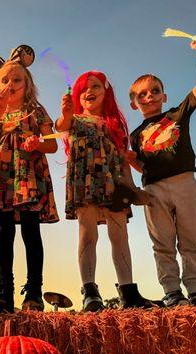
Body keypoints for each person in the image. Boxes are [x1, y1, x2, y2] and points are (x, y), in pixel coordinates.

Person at [55, 70, 153, 311]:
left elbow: (121, 158)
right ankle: (90, 291)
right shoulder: (74, 120)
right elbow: (61, 125)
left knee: (120, 235)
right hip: (84, 181)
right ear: (77, 95)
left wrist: (133, 189)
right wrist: (66, 113)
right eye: (84, 89)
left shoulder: (115, 124)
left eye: (96, 86)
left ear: (106, 91)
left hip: (114, 184)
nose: (90, 91)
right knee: (87, 233)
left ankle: (128, 291)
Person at [128, 34, 196, 307]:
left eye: (154, 91)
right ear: (134, 104)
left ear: (164, 95)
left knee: (190, 238)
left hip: (184, 182)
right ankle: (172, 292)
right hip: (153, 189)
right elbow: (141, 164)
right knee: (162, 242)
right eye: (142, 94)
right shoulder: (135, 135)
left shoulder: (177, 114)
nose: (149, 96)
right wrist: (128, 158)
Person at [0, 45, 59, 317]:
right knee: (4, 233)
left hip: (28, 175)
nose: (10, 84)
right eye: (5, 80)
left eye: (17, 80)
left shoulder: (35, 109)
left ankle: (34, 293)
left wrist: (38, 144)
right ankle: (4, 293)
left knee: (31, 232)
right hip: (2, 176)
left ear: (28, 85)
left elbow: (52, 145)